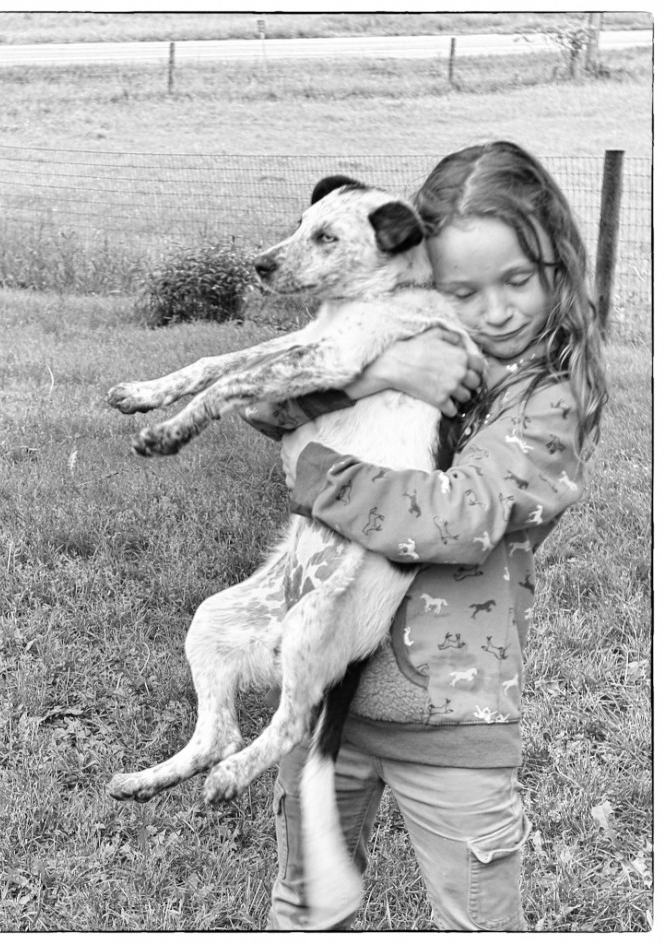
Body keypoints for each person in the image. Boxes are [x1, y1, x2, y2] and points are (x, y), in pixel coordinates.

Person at [246, 141, 608, 931]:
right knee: (306, 908)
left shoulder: (547, 403)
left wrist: (316, 473)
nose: (496, 311)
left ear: (558, 266)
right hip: (324, 702)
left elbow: (460, 517)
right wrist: (385, 376)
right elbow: (268, 403)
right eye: (462, 289)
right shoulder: (412, 347)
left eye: (518, 281)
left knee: (473, 923)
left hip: (450, 722)